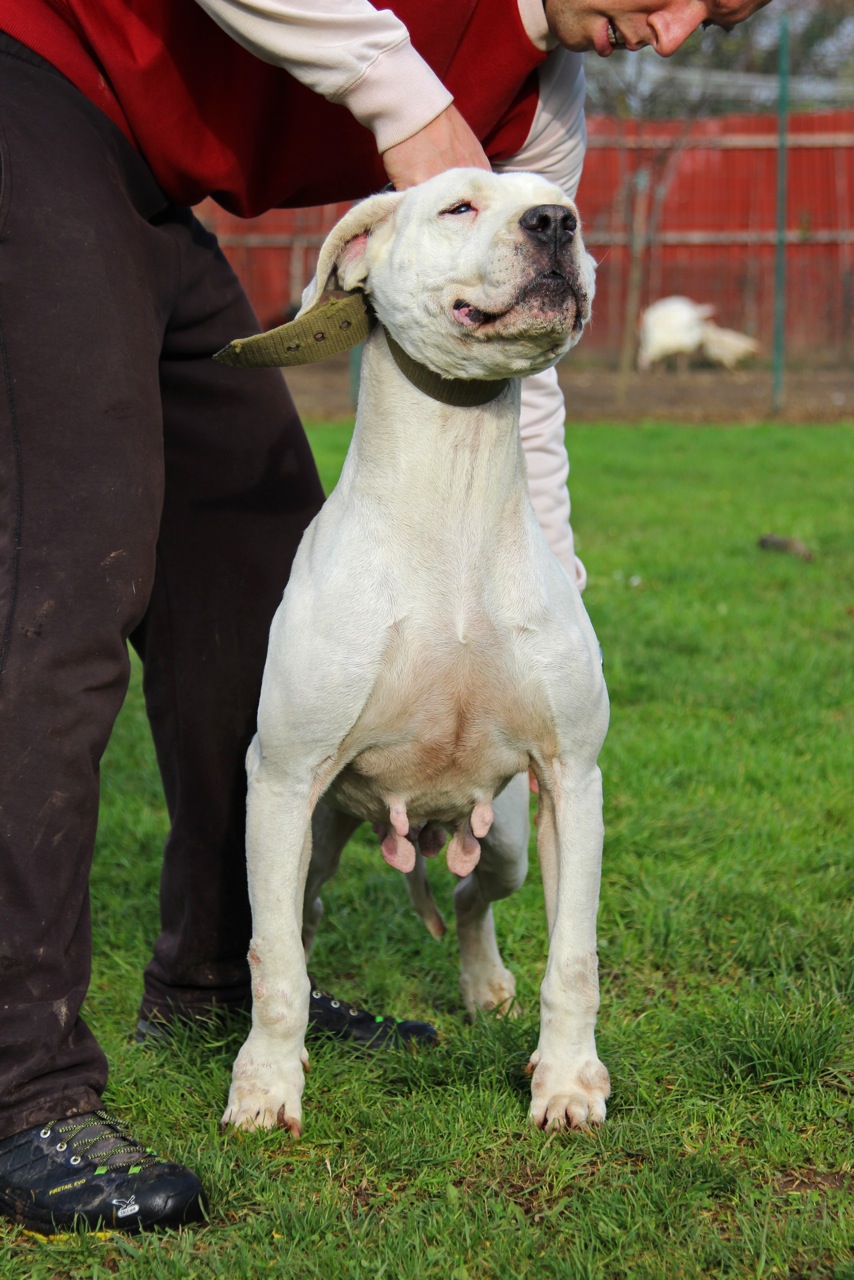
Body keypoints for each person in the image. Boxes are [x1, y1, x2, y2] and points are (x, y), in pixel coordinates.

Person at [0, 0, 773, 1237]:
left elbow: (525, 375)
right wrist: (407, 103)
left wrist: (546, 581)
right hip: (39, 79)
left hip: (156, 183)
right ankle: (20, 1085)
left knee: (252, 561)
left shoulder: (544, 109)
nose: (673, 33)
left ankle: (219, 980)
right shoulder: (448, 103)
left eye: (717, 19)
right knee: (65, 570)